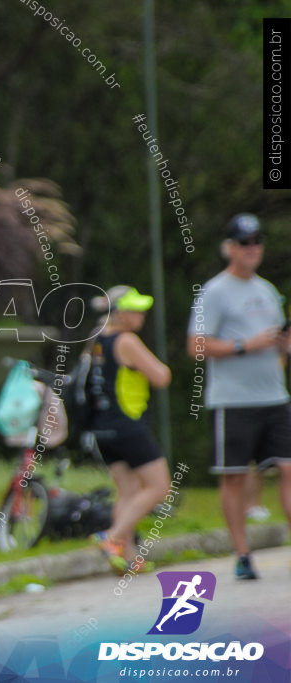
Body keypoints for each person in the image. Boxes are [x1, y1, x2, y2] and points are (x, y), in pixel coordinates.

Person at [186, 213, 291, 580]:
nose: (252, 249)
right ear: (229, 247)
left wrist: (283, 347)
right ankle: (242, 554)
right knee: (233, 476)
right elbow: (195, 345)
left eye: (257, 241)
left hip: (274, 398)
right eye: (244, 242)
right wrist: (244, 345)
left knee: (288, 469)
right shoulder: (214, 291)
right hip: (233, 400)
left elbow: (278, 343)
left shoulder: (266, 290)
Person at [85, 286, 172, 574]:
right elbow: (161, 376)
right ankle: (112, 537)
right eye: (135, 309)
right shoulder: (126, 340)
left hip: (103, 429)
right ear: (120, 313)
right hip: (128, 426)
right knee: (160, 487)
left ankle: (129, 558)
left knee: (129, 491)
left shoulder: (98, 339)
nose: (141, 315)